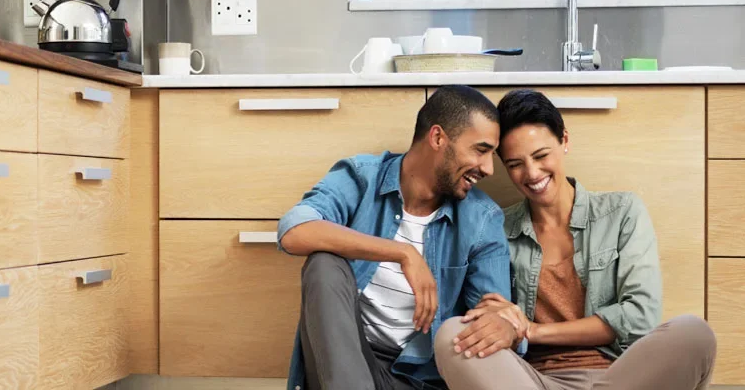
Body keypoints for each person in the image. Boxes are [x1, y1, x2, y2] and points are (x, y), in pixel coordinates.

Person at [434, 89, 717, 390]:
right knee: (453, 335)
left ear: (564, 141)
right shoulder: (495, 227)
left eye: (541, 155)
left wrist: (532, 330)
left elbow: (640, 316)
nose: (532, 173)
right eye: (515, 164)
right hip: (531, 381)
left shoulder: (621, 212)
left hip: (620, 377)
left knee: (694, 332)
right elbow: (490, 318)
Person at [278, 85, 524, 390]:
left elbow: (491, 313)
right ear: (437, 138)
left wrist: (505, 324)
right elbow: (293, 230)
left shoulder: (482, 219)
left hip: (422, 380)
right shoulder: (361, 178)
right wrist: (402, 253)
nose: (488, 168)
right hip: (348, 363)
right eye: (481, 150)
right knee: (323, 264)